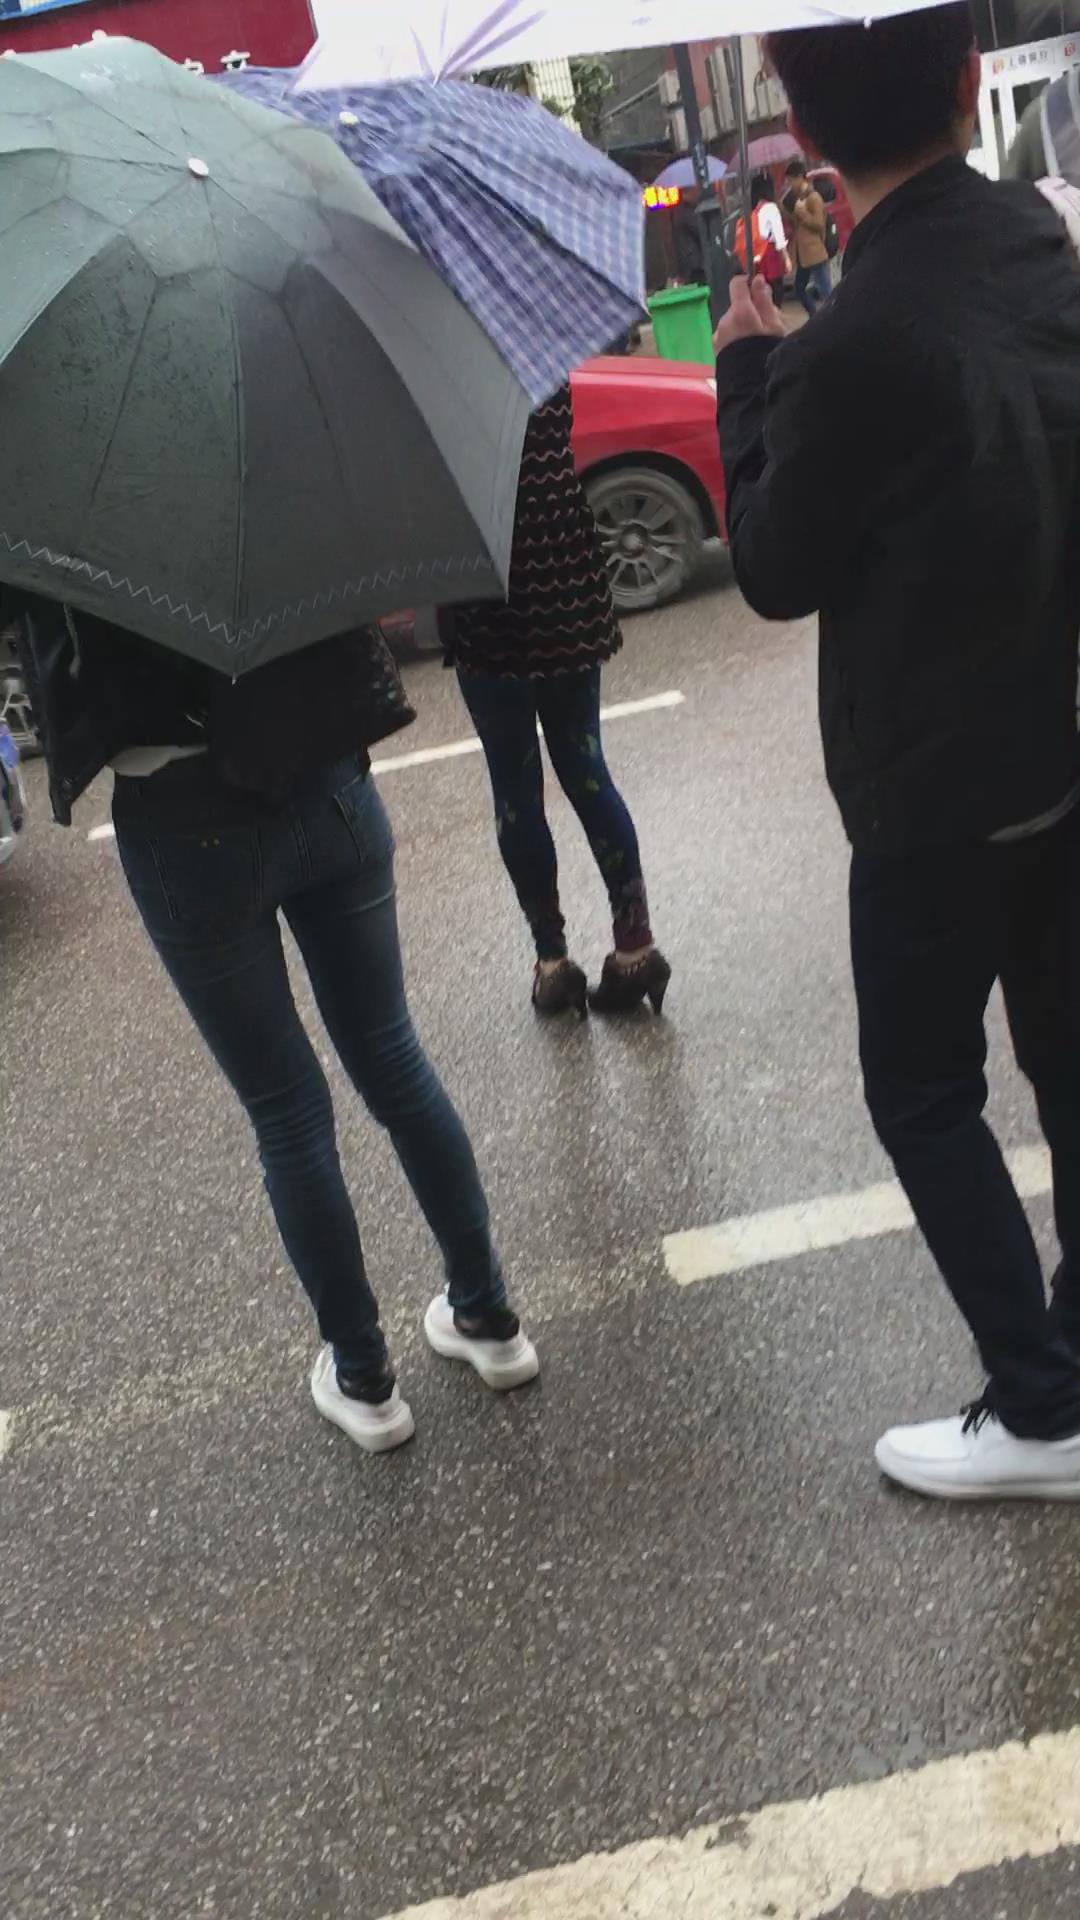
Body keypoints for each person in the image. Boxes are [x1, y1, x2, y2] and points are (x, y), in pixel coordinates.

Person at [713, 3, 1080, 1500]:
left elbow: (775, 567)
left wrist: (749, 375)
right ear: (971, 75)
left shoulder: (848, 342)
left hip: (931, 790)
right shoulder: (1043, 245)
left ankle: (1043, 1410)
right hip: (1060, 741)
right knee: (1067, 1059)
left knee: (924, 1090)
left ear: (804, 133)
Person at [7, 590, 539, 1455]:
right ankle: (488, 1316)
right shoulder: (273, 496)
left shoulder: (84, 524)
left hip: (181, 816)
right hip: (325, 778)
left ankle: (365, 1379)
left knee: (288, 1112)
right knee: (394, 1060)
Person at [443, 385, 670, 1018]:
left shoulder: (443, 365)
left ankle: (553, 961)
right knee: (587, 767)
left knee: (515, 787)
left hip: (490, 595)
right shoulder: (541, 339)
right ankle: (636, 948)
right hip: (568, 583)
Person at [734, 176, 791, 306]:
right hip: (770, 253)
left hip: (759, 253)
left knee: (762, 289)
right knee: (776, 289)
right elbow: (778, 235)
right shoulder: (771, 207)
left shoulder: (754, 209)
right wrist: (786, 258)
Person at [784, 159, 831, 314]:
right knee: (799, 288)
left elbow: (818, 223)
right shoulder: (800, 198)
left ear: (800, 177)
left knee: (825, 291)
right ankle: (814, 315)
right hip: (803, 254)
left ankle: (834, 316)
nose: (790, 185)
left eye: (791, 180)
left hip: (814, 252)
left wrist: (801, 212)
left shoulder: (813, 197)